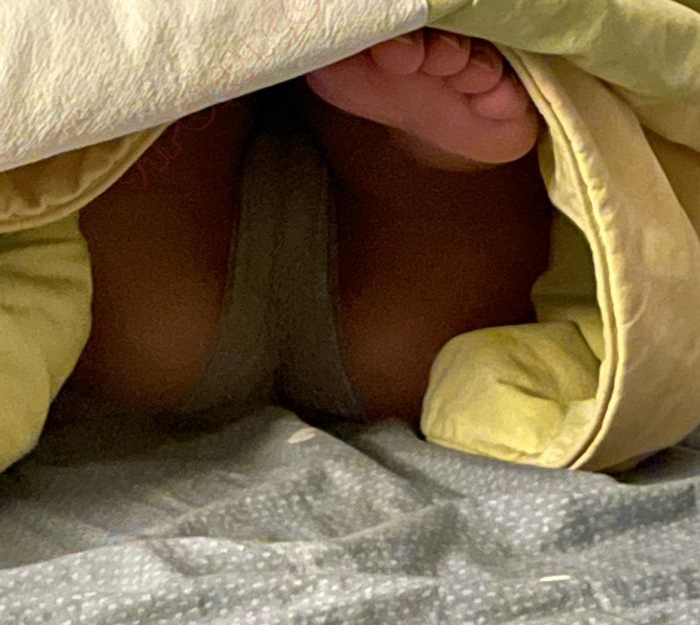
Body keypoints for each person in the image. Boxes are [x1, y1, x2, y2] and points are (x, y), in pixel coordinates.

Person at [68, 28, 554, 429]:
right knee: (442, 207)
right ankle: (423, 141)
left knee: (146, 127)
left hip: (135, 328)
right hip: (413, 353)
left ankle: (192, 69)